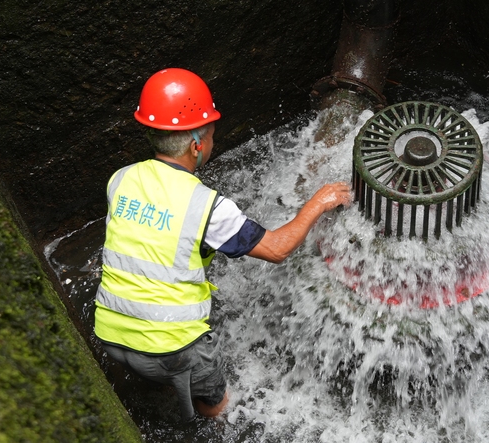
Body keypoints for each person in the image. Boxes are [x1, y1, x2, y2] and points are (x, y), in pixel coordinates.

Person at [93, 68, 352, 422]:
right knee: (220, 404)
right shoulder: (206, 207)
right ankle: (212, 416)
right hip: (171, 349)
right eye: (212, 133)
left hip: (108, 333)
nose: (213, 141)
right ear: (196, 145)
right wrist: (317, 204)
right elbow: (277, 249)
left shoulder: (120, 180)